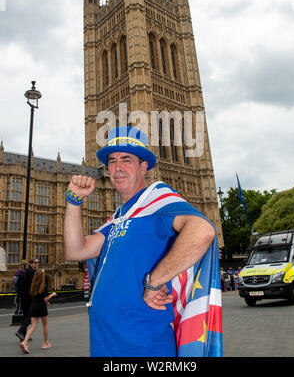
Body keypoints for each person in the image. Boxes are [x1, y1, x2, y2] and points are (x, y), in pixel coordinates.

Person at [64, 126, 222, 357]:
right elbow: (76, 251)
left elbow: (202, 231)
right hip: (106, 345)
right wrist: (73, 201)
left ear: (144, 166)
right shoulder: (120, 218)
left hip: (144, 346)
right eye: (112, 161)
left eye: (126, 159)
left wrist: (155, 282)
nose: (117, 167)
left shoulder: (157, 199)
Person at [19, 269, 57, 354]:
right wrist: (52, 295)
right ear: (42, 277)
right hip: (41, 307)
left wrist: (46, 301)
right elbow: (44, 298)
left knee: (33, 326)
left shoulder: (33, 286)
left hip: (33, 307)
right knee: (45, 324)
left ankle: (25, 342)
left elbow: (37, 298)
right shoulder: (44, 287)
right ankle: (45, 343)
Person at [15, 259, 39, 341]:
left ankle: (23, 337)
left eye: (38, 262)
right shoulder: (31, 273)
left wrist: (17, 297)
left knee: (25, 316)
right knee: (32, 316)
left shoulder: (23, 272)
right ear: (31, 264)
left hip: (23, 298)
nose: (37, 264)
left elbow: (18, 286)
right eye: (36, 263)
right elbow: (32, 286)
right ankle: (20, 331)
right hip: (30, 297)